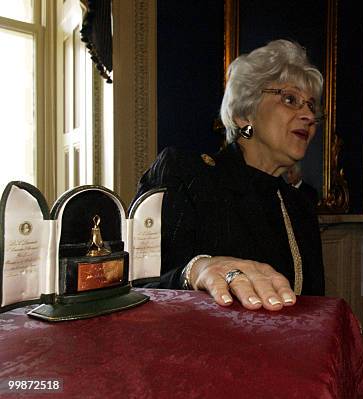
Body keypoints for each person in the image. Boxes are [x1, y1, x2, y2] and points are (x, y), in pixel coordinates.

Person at [134, 39, 325, 311]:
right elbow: (138, 286)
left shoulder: (300, 206)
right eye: (290, 99)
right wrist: (195, 271)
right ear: (244, 113)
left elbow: (313, 310)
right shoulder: (186, 174)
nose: (308, 114)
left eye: (311, 106)